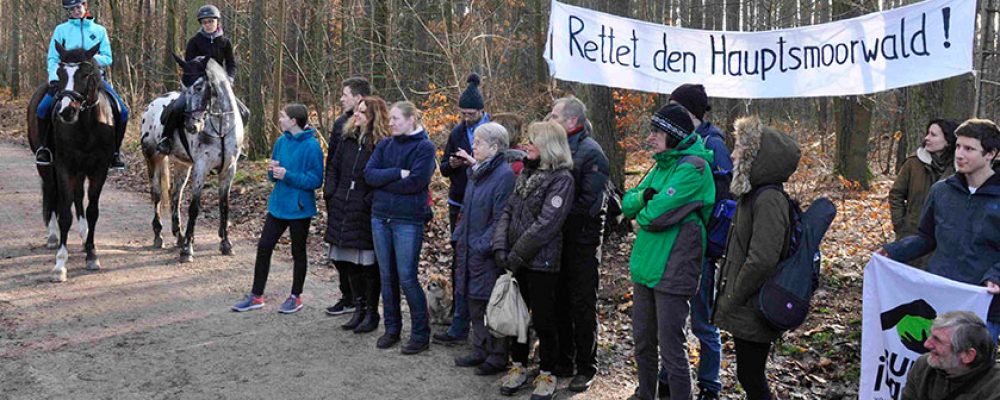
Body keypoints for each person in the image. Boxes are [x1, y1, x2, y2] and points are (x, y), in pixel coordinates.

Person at [623, 104, 716, 400]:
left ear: (674, 136)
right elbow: (627, 204)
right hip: (645, 266)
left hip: (674, 268)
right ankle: (645, 395)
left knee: (672, 348)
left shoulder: (694, 167)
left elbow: (655, 215)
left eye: (657, 132)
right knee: (642, 342)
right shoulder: (662, 164)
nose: (650, 138)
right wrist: (644, 200)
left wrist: (645, 207)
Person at [881, 119, 1000, 342]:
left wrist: (996, 276)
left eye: (969, 149)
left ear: (990, 154)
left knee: (973, 371)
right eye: (958, 146)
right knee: (934, 364)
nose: (960, 155)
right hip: (940, 295)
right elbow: (926, 237)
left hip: (983, 305)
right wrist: (893, 251)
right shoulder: (941, 191)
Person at [713, 116, 802, 400]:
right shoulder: (753, 196)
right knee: (748, 375)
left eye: (739, 148)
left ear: (756, 157)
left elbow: (762, 259)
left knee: (751, 376)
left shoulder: (768, 200)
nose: (732, 153)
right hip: (749, 302)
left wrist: (733, 295)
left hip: (755, 302)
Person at [659, 83, 733, 400]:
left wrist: (705, 237)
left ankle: (709, 385)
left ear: (689, 112)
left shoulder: (713, 145)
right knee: (673, 318)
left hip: (701, 247)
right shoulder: (682, 140)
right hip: (676, 245)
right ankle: (668, 374)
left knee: (702, 320)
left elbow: (721, 201)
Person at [493, 121, 575, 400]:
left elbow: (546, 225)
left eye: (534, 141)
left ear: (549, 147)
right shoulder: (526, 173)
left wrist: (516, 255)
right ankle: (518, 365)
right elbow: (508, 210)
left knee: (544, 319)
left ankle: (547, 372)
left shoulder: (562, 179)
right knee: (517, 317)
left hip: (543, 262)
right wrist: (500, 247)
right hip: (516, 260)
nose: (528, 145)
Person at [232, 104, 324, 314]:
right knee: (264, 247)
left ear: (293, 121)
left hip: (300, 208)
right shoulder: (281, 141)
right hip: (278, 205)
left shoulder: (312, 147)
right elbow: (272, 175)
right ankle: (256, 296)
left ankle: (295, 297)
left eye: (283, 116)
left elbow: (316, 180)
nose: (279, 119)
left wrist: (288, 175)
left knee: (297, 252)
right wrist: (273, 172)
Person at [547, 96, 610, 392]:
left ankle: (587, 365)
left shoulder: (592, 154)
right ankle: (564, 359)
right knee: (558, 299)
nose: (550, 119)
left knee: (582, 303)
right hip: (556, 239)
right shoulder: (556, 147)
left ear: (572, 121)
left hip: (583, 241)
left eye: (555, 116)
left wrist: (553, 214)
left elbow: (590, 204)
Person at [364, 101, 437, 355]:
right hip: (380, 217)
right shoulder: (385, 145)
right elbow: (369, 175)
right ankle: (391, 329)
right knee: (387, 277)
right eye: (391, 119)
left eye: (396, 119)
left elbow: (416, 183)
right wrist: (398, 172)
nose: (391, 122)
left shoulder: (425, 148)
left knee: (407, 277)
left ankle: (420, 334)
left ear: (411, 120)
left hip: (408, 220)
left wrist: (385, 183)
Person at [451, 122, 516, 376]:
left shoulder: (504, 176)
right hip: (468, 247)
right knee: (473, 302)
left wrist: (480, 245)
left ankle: (498, 355)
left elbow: (501, 218)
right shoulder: (476, 174)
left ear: (495, 147)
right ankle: (479, 349)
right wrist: (458, 237)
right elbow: (466, 211)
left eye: (478, 143)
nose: (473, 146)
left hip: (485, 253)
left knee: (491, 304)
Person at [36, 0, 129, 170]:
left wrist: (87, 61)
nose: (75, 11)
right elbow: (52, 57)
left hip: (92, 79)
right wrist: (53, 76)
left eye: (78, 7)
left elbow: (107, 58)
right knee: (43, 108)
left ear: (85, 6)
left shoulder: (99, 31)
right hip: (66, 79)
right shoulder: (61, 30)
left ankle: (115, 152)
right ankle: (45, 148)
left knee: (122, 111)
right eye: (71, 9)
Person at [323, 96, 389, 333]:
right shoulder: (347, 138)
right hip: (342, 206)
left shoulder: (381, 144)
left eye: (362, 112)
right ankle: (358, 308)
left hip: (365, 210)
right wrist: (332, 192)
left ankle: (371, 313)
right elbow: (333, 167)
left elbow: (381, 179)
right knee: (347, 261)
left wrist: (367, 200)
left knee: (367, 266)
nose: (357, 115)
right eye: (356, 111)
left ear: (373, 116)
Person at [434, 73, 491, 346]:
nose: (467, 117)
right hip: (459, 202)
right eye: (463, 113)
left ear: (481, 111)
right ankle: (459, 320)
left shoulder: (494, 131)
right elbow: (443, 167)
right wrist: (454, 165)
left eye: (471, 113)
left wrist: (474, 163)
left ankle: (485, 325)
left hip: (484, 205)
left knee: (481, 262)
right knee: (460, 261)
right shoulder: (457, 132)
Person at [156, 4, 247, 155]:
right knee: (178, 107)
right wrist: (199, 81)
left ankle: (238, 143)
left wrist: (230, 78)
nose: (208, 25)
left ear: (217, 22)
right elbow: (190, 66)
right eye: (205, 22)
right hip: (197, 85)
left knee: (244, 112)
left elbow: (231, 64)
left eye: (211, 21)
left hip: (218, 86)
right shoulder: (194, 41)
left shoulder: (225, 42)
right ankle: (166, 139)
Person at [324, 76, 374, 316]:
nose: (341, 98)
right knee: (338, 252)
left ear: (359, 98)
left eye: (345, 94)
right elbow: (332, 161)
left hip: (360, 202)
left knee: (360, 256)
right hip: (339, 197)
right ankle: (348, 296)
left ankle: (361, 302)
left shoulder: (375, 134)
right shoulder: (340, 126)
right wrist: (329, 191)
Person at [888, 119, 958, 268]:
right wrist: (901, 224)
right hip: (911, 235)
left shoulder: (959, 170)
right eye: (927, 134)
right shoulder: (913, 164)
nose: (927, 138)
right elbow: (896, 194)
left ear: (948, 141)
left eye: (933, 135)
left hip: (944, 242)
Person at [901, 311, 1000, 400]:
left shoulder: (994, 387)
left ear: (967, 355)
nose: (926, 344)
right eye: (930, 335)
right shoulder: (923, 366)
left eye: (937, 340)